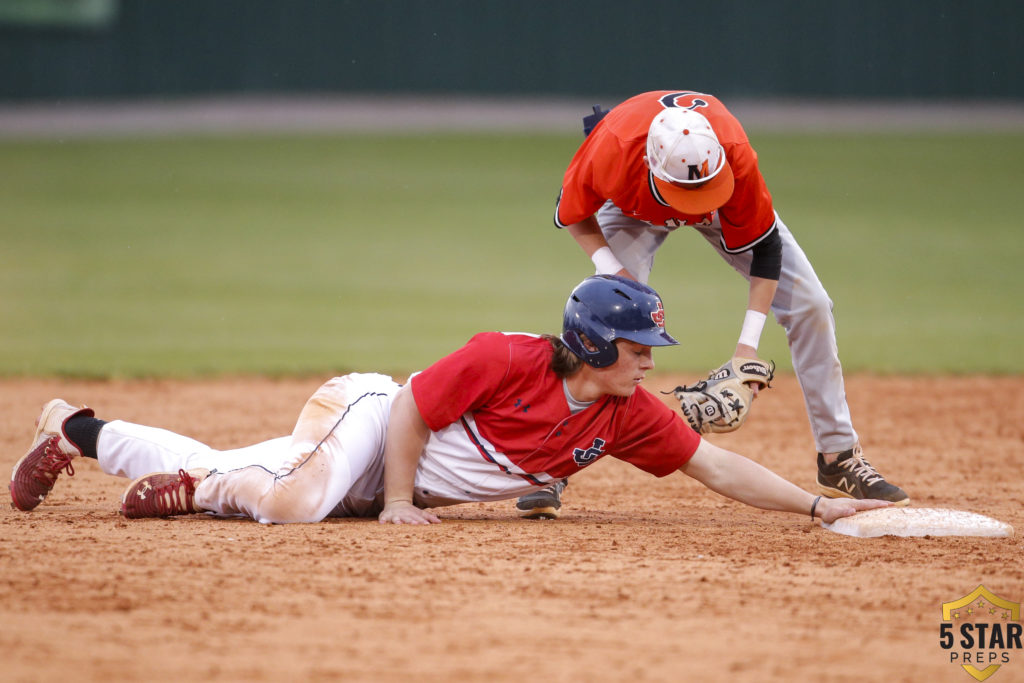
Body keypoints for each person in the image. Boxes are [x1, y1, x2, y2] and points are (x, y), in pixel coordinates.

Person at [9, 275, 889, 527]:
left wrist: (813, 504)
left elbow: (716, 466)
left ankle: (75, 428)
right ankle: (189, 492)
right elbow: (414, 410)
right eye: (636, 347)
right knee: (290, 499)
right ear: (588, 342)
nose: (649, 363)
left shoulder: (625, 413)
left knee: (258, 469)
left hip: (398, 469)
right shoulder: (502, 356)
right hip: (374, 415)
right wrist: (395, 500)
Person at [515, 90, 909, 519]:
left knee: (812, 304)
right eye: (688, 195)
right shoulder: (613, 149)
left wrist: (747, 348)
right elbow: (573, 213)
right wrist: (613, 271)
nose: (692, 209)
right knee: (596, 314)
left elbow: (766, 251)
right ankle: (552, 463)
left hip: (720, 198)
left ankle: (838, 458)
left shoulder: (734, 155)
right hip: (632, 206)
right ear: (650, 164)